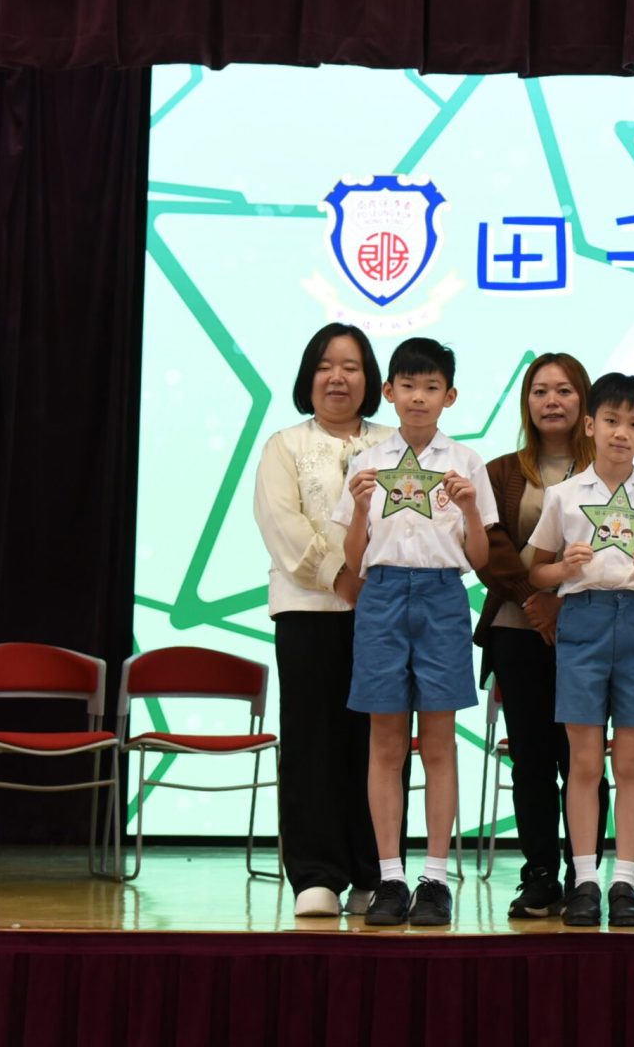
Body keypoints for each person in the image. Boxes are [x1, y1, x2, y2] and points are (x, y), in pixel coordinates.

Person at [332, 337, 499, 927]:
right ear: (389, 392)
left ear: (449, 396)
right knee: (384, 743)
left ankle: (434, 878)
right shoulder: (367, 461)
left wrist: (471, 508)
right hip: (380, 597)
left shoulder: (466, 461)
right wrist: (359, 509)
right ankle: (390, 877)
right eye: (408, 385)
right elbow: (354, 560)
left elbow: (480, 559)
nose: (419, 397)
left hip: (442, 597)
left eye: (432, 387)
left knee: (439, 742)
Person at [526, 374, 634, 929]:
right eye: (612, 421)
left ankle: (625, 881)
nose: (622, 433)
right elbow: (536, 571)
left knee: (630, 761)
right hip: (583, 621)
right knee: (586, 763)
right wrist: (563, 569)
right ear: (590, 425)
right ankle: (586, 879)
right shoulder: (565, 495)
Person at [253, 323, 392, 918]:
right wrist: (339, 577)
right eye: (325, 366)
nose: (338, 378)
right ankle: (316, 875)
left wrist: (374, 582)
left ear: (371, 379)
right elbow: (281, 524)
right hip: (307, 613)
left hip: (384, 614)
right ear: (308, 377)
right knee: (312, 741)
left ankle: (375, 872)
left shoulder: (395, 444)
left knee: (377, 743)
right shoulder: (284, 445)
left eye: (351, 367)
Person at [475, 353, 612, 918]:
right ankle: (538, 875)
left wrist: (559, 602)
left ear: (585, 402)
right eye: (539, 391)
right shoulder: (501, 471)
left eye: (563, 390)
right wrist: (535, 602)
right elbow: (490, 547)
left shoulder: (610, 469)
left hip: (592, 632)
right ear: (526, 403)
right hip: (516, 629)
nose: (551, 401)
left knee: (584, 758)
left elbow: (618, 543)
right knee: (531, 758)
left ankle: (586, 874)